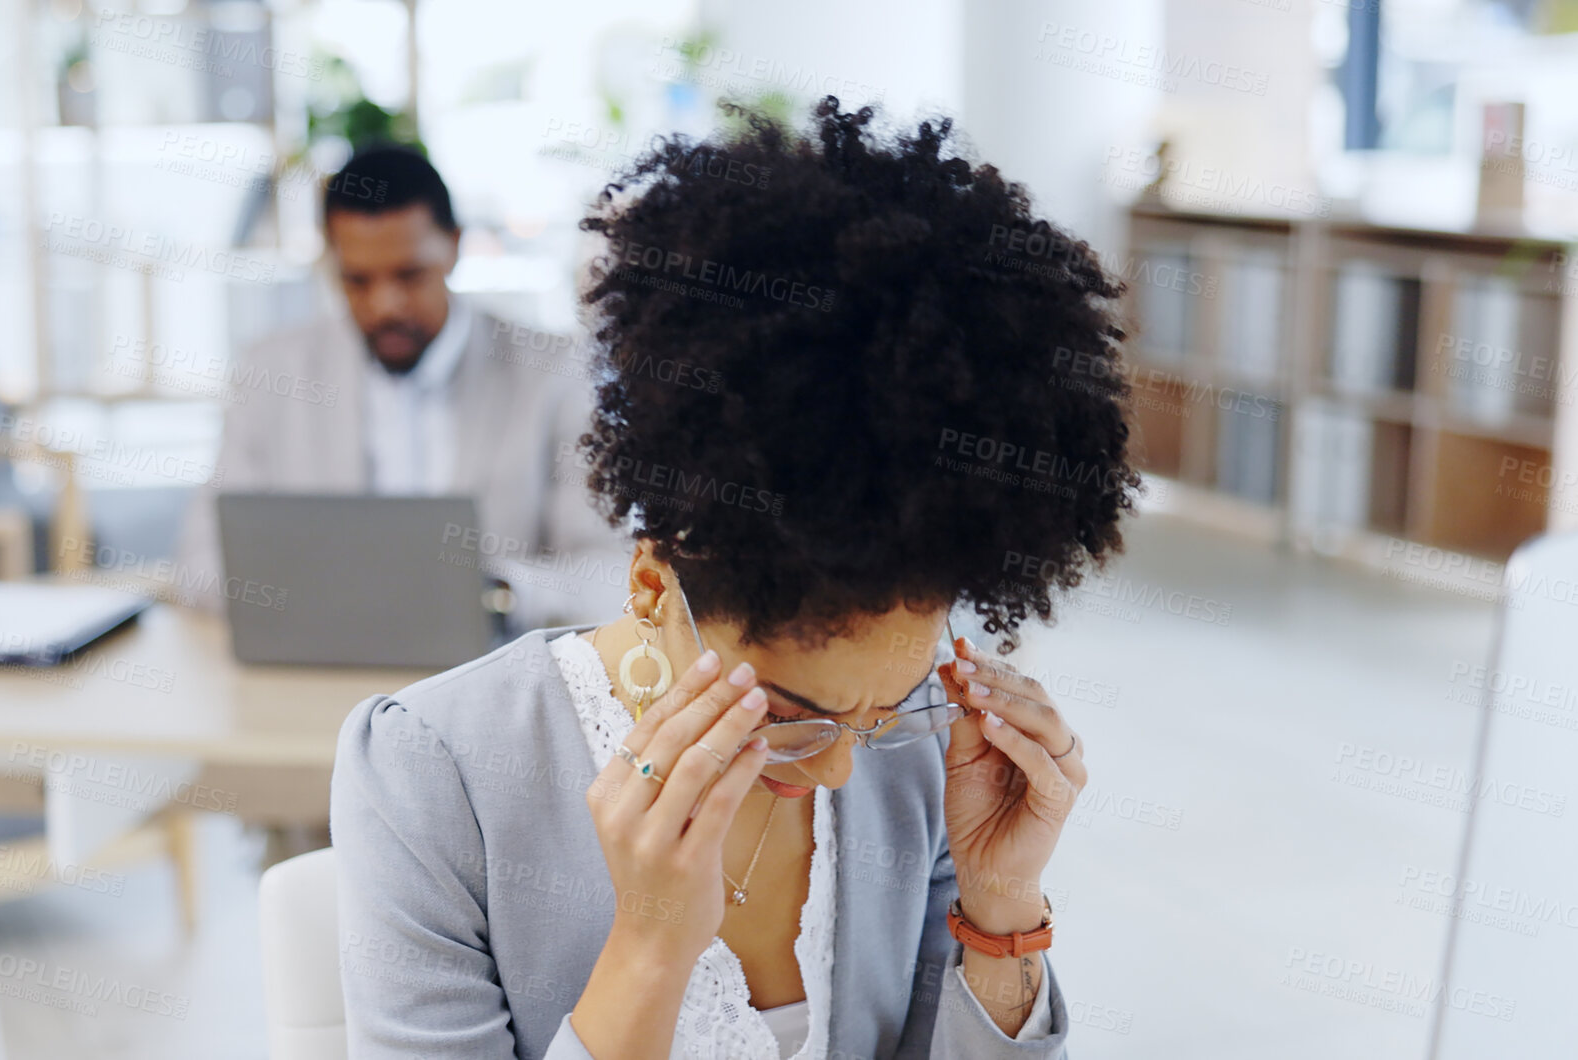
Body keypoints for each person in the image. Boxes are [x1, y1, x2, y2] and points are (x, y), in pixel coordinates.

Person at [331, 98, 1139, 1058]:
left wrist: (1000, 911)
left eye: (882, 708)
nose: (845, 766)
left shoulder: (919, 755)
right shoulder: (436, 773)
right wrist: (648, 945)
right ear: (648, 584)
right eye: (795, 713)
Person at [176, 144, 627, 629]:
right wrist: (334, 592)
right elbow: (202, 563)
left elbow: (613, 573)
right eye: (357, 280)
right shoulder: (273, 373)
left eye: (409, 275)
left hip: (492, 675)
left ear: (454, 246)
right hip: (315, 674)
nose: (385, 305)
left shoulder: (556, 373)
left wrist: (491, 594)